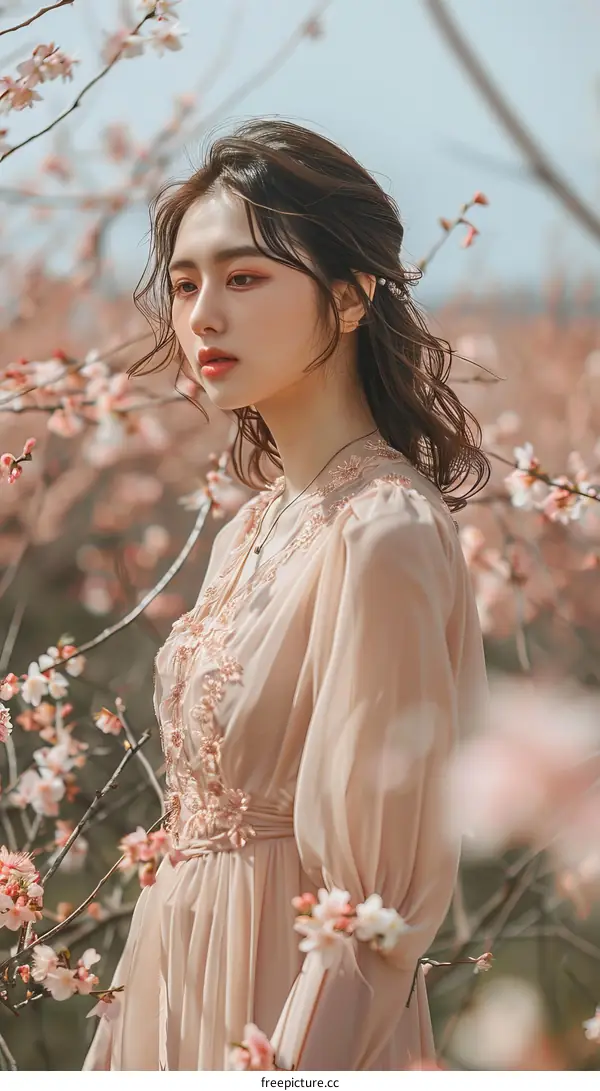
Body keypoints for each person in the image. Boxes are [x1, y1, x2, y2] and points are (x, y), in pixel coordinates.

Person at [83, 118, 490, 1071]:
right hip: (170, 987)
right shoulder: (248, 529)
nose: (201, 316)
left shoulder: (383, 532)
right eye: (186, 283)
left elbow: (370, 910)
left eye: (244, 277)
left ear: (348, 298)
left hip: (293, 1010)